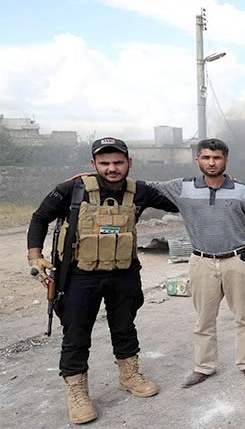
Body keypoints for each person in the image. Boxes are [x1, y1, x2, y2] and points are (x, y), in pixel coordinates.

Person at [27, 137, 178, 424]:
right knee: (76, 333)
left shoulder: (140, 191)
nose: (111, 168)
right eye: (104, 163)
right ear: (93, 164)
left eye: (118, 162)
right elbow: (39, 218)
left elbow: (180, 201)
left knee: (124, 325)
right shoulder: (71, 189)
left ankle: (129, 375)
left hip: (124, 272)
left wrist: (216, 184)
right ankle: (77, 393)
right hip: (79, 275)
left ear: (129, 163)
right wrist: (35, 257)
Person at [147, 138, 245, 387]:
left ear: (225, 160)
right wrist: (94, 178)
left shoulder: (241, 190)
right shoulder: (182, 187)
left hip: (236, 260)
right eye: (206, 157)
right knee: (204, 319)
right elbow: (144, 187)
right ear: (197, 160)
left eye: (217, 158)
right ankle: (204, 367)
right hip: (202, 262)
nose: (211, 163)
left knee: (243, 316)